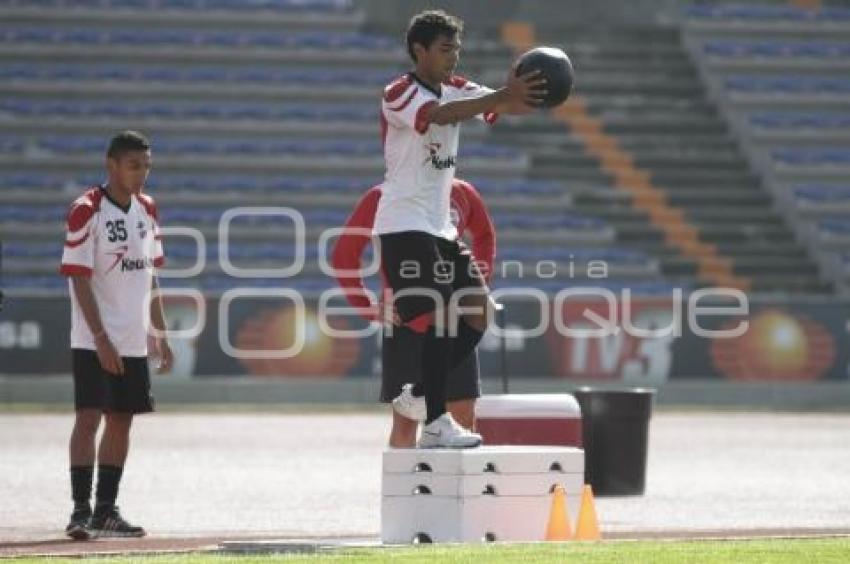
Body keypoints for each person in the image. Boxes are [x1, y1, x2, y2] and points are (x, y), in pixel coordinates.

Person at [374, 10, 544, 448]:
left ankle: (419, 397)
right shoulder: (398, 93)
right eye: (445, 49)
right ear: (419, 51)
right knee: (444, 311)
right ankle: (435, 421)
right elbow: (442, 115)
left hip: (439, 230)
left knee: (478, 310)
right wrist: (500, 96)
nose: (454, 57)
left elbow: (507, 104)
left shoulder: (459, 86)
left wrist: (536, 90)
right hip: (403, 224)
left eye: (457, 49)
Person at [60, 130, 173, 539]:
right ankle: (79, 510)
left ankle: (106, 510)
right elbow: (78, 278)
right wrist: (102, 339)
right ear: (111, 165)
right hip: (94, 339)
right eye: (133, 165)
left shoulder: (147, 209)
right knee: (89, 417)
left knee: (122, 420)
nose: (142, 174)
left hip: (133, 338)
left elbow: (151, 275)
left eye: (146, 166)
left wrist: (158, 330)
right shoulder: (86, 210)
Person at [332, 178, 495, 448]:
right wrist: (369, 307)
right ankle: (403, 489)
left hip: (455, 324)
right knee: (406, 421)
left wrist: (477, 283)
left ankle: (450, 489)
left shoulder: (462, 192)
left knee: (463, 415)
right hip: (408, 323)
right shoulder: (381, 197)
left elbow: (484, 235)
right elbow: (344, 255)